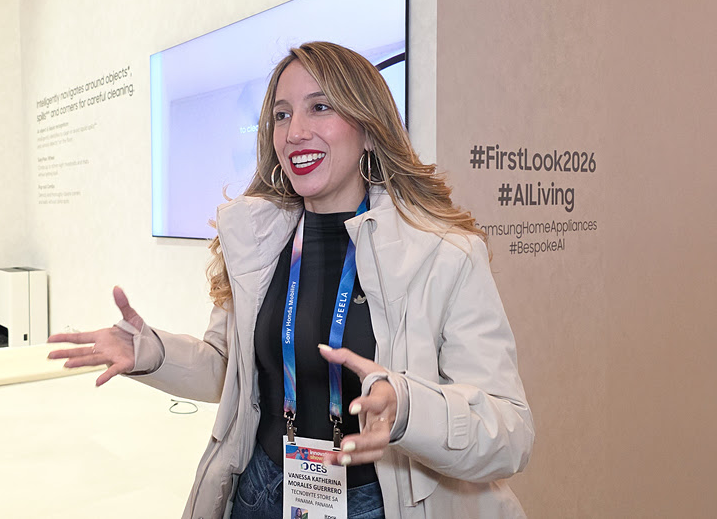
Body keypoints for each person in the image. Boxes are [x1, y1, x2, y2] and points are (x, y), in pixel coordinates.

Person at [48, 41, 534, 519]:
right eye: (282, 115)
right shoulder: (256, 242)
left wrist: (408, 410)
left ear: (368, 129)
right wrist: (151, 352)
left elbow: (510, 431)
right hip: (261, 491)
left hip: (375, 504)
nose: (295, 132)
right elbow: (229, 371)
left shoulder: (442, 254)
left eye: (319, 107)